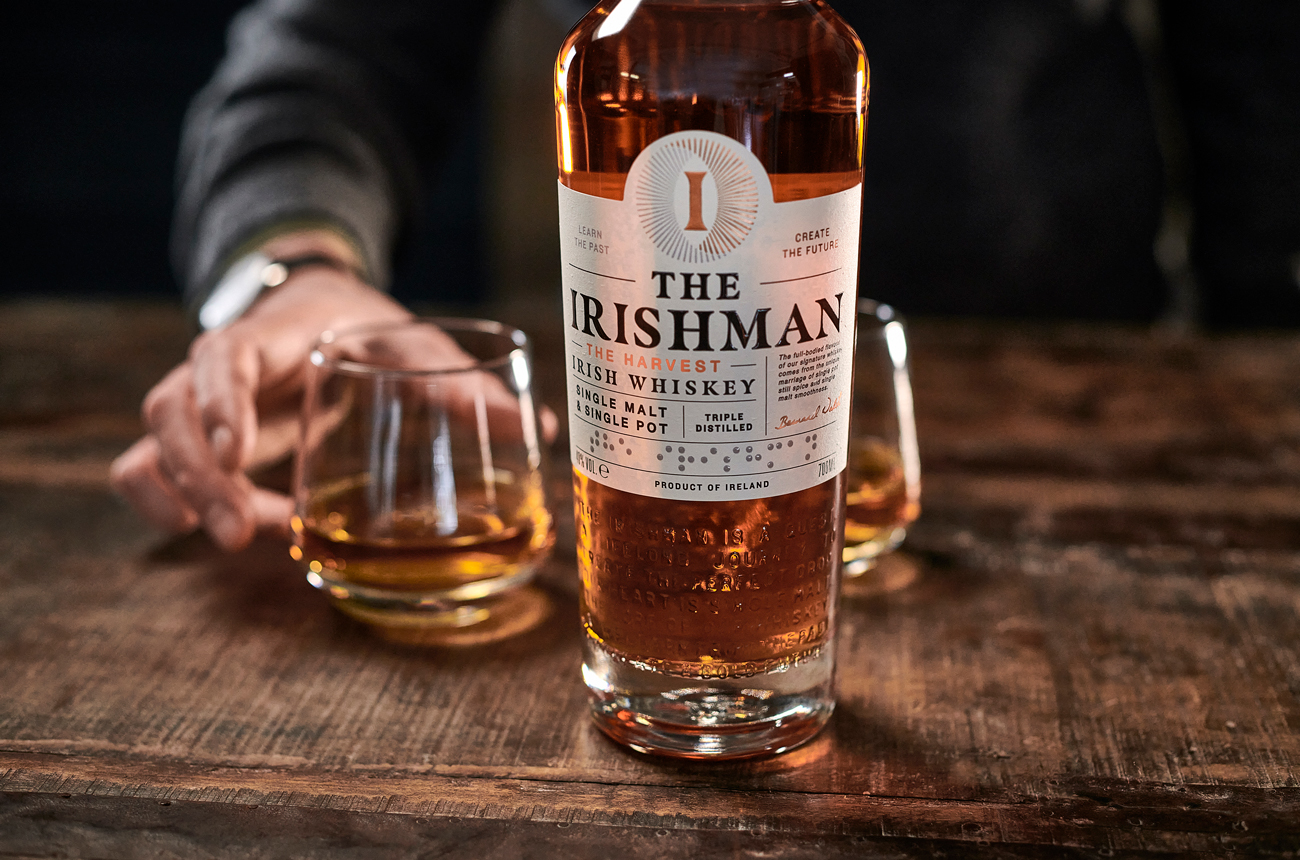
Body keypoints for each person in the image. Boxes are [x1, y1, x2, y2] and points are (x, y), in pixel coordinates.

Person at [111, 0, 1300, 550]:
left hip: (1092, 432)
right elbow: (327, 51)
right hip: (645, 464)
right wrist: (294, 267)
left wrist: (1261, 358)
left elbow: (1260, 52)